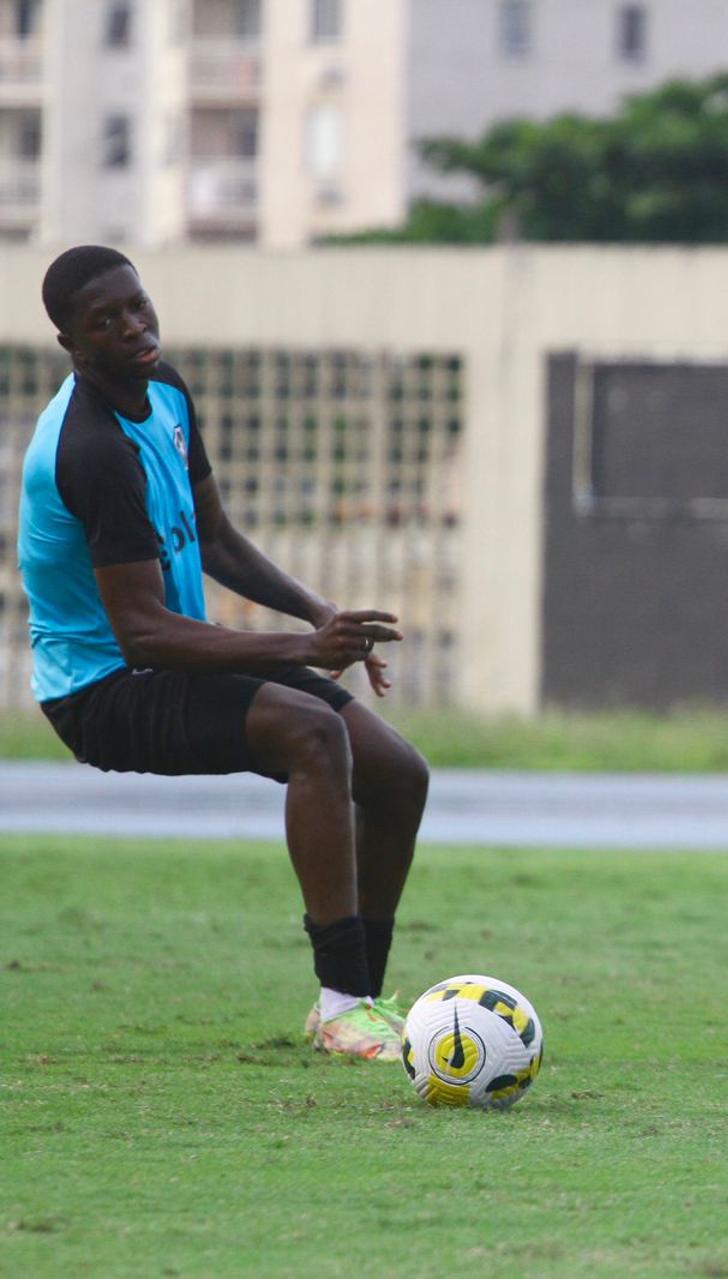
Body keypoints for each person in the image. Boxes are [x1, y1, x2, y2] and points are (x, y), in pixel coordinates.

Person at [18, 246, 430, 1061]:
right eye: (106, 322)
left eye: (137, 305)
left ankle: (359, 1002)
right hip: (103, 689)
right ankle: (344, 1002)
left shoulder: (164, 388)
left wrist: (324, 618)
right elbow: (141, 632)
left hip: (170, 657)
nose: (135, 326)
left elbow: (213, 536)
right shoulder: (91, 448)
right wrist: (306, 650)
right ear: (73, 343)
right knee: (312, 733)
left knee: (398, 773)